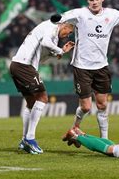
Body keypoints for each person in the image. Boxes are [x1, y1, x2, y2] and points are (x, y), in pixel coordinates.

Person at [53, 0, 119, 139]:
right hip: (82, 66)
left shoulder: (111, 14)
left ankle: (104, 140)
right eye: (91, 0)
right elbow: (61, 17)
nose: (94, 2)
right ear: (87, 1)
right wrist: (57, 19)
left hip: (101, 66)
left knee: (102, 105)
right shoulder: (80, 13)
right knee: (86, 107)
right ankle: (75, 127)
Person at [10, 20, 75, 154]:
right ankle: (30, 138)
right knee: (43, 97)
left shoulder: (52, 35)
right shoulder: (51, 27)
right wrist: (59, 50)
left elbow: (42, 56)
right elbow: (46, 42)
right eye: (69, 32)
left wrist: (60, 51)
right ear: (64, 25)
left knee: (31, 102)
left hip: (17, 65)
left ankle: (24, 140)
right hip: (24, 65)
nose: (68, 35)